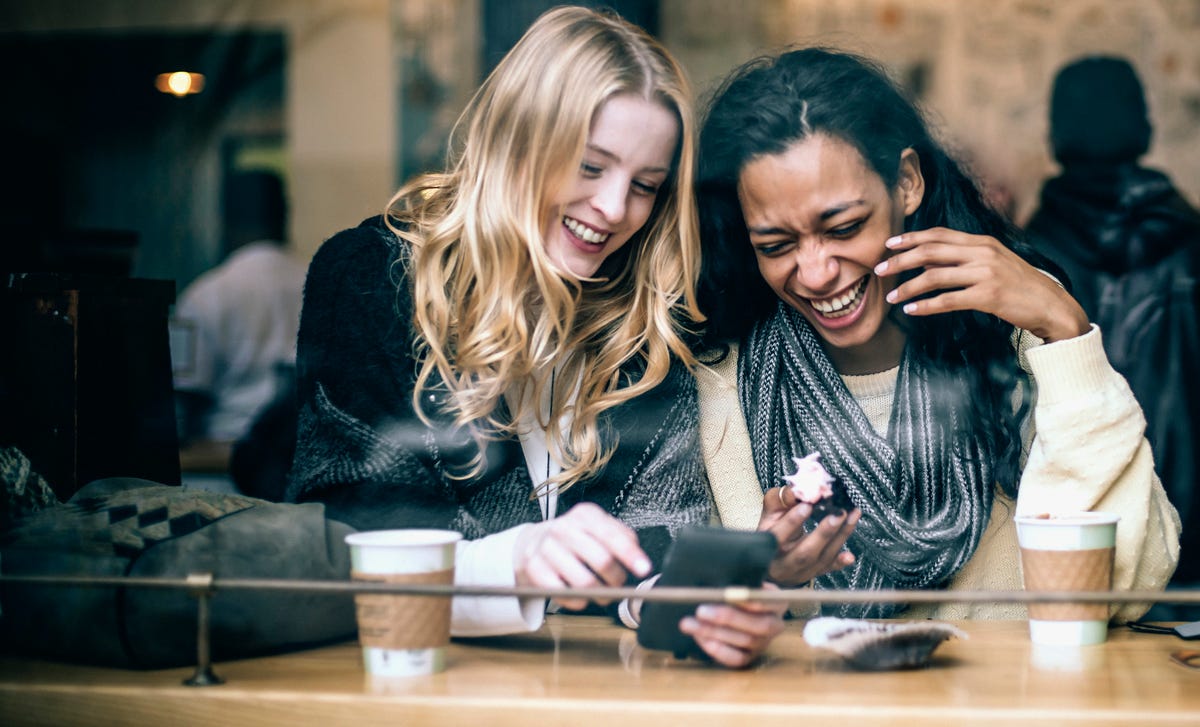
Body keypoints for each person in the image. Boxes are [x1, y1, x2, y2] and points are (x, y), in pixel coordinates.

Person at [284, 6, 783, 667]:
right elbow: (353, 534)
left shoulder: (644, 314)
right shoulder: (373, 277)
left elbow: (655, 538)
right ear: (519, 140)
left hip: (586, 688)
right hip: (410, 678)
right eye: (590, 166)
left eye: (645, 186)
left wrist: (680, 603)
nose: (614, 209)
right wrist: (515, 561)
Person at [693, 47, 1181, 622]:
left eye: (844, 227)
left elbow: (1131, 581)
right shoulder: (727, 380)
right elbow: (697, 619)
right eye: (776, 245)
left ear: (906, 182)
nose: (817, 273)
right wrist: (761, 577)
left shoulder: (1014, 338)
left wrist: (1065, 331)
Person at [1024, 56, 1200, 606]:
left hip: (1073, 524)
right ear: (1143, 128)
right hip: (1191, 520)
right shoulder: (1192, 244)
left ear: (1055, 137)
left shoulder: (1026, 261)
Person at [172, 171, 306, 480]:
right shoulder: (319, 282)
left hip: (220, 470)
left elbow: (182, 399)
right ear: (285, 214)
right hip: (299, 465)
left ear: (225, 219)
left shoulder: (206, 294)